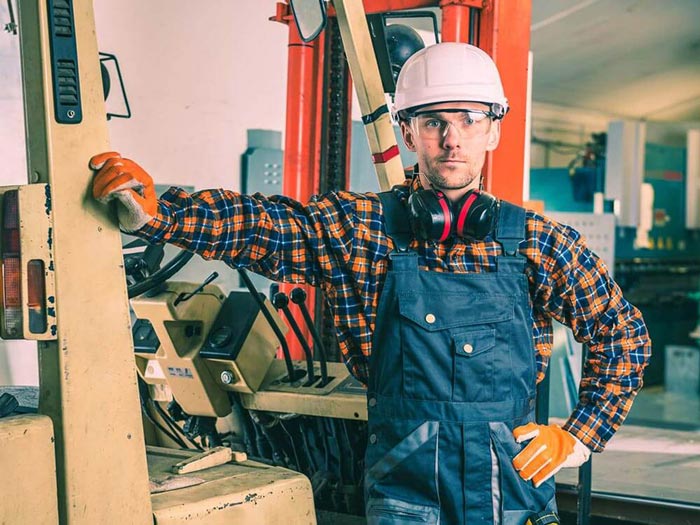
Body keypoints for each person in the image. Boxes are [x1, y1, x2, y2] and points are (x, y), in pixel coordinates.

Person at [90, 43, 650, 524]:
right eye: (433, 121)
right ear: (408, 132)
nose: (452, 139)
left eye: (469, 119)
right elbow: (267, 227)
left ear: (493, 130)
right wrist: (162, 211)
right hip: (405, 495)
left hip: (511, 489)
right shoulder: (360, 230)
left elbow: (621, 332)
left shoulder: (538, 242)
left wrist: (577, 437)